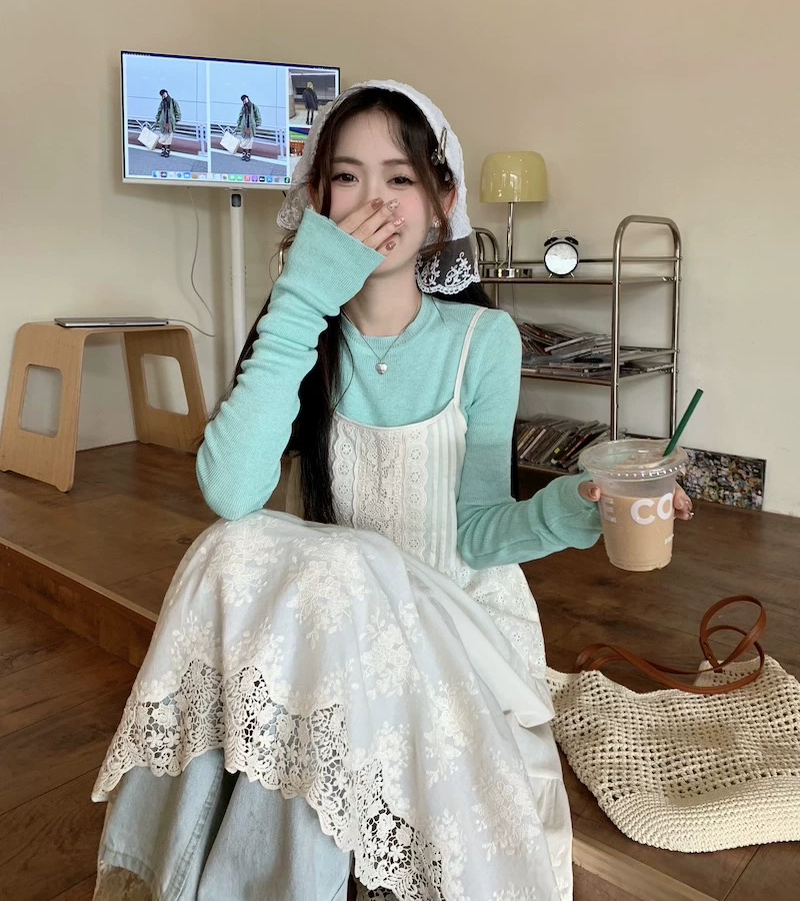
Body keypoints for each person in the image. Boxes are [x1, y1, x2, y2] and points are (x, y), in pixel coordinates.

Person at [91, 81, 693, 901]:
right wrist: (303, 296)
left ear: (442, 203)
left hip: (453, 622)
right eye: (348, 177)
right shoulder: (299, 330)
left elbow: (479, 530)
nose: (375, 201)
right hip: (332, 634)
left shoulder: (483, 338)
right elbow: (230, 493)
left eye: (400, 178)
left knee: (346, 566)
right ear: (317, 202)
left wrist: (578, 506)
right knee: (236, 545)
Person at [155, 89, 181, 159]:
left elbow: (177, 110)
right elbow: (159, 110)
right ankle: (163, 149)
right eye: (162, 95)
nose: (163, 95)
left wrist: (177, 119)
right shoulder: (162, 102)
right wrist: (157, 118)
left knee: (169, 136)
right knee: (163, 135)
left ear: (166, 93)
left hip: (170, 122)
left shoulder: (173, 101)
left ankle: (168, 150)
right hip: (163, 122)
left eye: (164, 93)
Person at [235, 94, 261, 161]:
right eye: (243, 100)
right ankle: (244, 153)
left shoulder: (253, 106)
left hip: (251, 127)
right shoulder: (243, 108)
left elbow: (258, 116)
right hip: (244, 127)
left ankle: (248, 154)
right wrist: (238, 123)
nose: (245, 100)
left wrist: (257, 124)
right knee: (244, 140)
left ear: (248, 98)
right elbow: (240, 116)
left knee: (250, 141)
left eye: (245, 98)